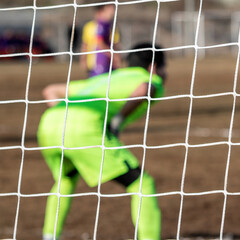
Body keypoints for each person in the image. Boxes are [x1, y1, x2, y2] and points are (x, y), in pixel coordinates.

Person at [38, 43, 166, 240]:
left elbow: (50, 91)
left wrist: (68, 117)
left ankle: (49, 236)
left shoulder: (107, 79)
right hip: (85, 129)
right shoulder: (149, 78)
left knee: (65, 179)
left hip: (49, 124)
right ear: (153, 67)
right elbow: (145, 89)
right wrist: (118, 120)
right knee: (142, 184)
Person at [81, 4, 121, 77]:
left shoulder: (111, 27)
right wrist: (83, 60)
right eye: (111, 9)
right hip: (95, 65)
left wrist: (116, 58)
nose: (113, 12)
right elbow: (86, 45)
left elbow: (115, 45)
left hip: (109, 64)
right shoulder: (89, 27)